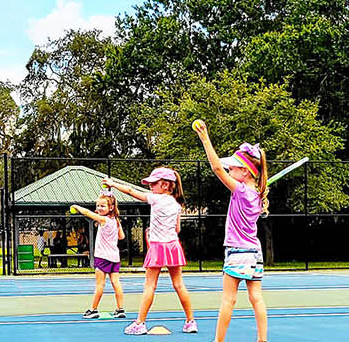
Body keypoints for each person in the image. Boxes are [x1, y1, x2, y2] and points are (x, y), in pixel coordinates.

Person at [192, 120, 273, 342]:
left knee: (228, 299)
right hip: (254, 252)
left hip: (238, 251)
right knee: (256, 297)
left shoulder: (241, 191)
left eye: (234, 167)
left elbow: (216, 167)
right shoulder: (256, 193)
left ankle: (218, 341)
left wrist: (205, 138)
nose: (229, 169)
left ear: (245, 172)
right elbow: (224, 168)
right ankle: (262, 339)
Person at [105, 167, 198, 334]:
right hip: (173, 246)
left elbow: (131, 191)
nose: (150, 186)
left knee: (149, 286)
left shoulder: (156, 199)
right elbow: (177, 229)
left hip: (158, 246)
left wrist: (113, 184)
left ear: (165, 185)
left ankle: (140, 323)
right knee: (179, 285)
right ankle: (191, 321)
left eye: (153, 184)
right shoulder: (177, 206)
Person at [69, 190, 127, 319]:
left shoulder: (103, 219)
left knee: (100, 284)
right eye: (98, 206)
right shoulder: (115, 220)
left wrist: (77, 207)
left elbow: (88, 213)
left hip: (102, 257)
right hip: (114, 257)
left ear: (111, 207)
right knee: (116, 283)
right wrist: (117, 224)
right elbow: (121, 236)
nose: (99, 208)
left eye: (102, 206)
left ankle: (93, 309)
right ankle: (120, 309)